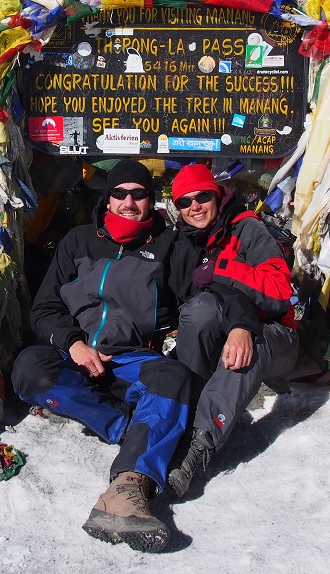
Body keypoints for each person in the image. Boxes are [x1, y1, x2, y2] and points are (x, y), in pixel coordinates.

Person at [11, 159, 198, 553]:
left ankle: (128, 487)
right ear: (108, 198)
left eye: (139, 194)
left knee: (174, 378)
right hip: (75, 356)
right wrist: (74, 344)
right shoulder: (78, 241)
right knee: (29, 369)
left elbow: (198, 299)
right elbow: (44, 308)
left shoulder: (171, 246)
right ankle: (124, 427)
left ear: (151, 200)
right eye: (120, 193)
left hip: (131, 360)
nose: (129, 202)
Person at [166, 163, 299, 497]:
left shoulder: (247, 229)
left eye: (202, 197)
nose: (194, 206)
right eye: (185, 201)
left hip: (274, 334)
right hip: (225, 332)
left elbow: (280, 292)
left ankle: (200, 446)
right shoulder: (187, 242)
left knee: (250, 348)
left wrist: (222, 268)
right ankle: (184, 416)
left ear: (217, 195)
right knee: (201, 310)